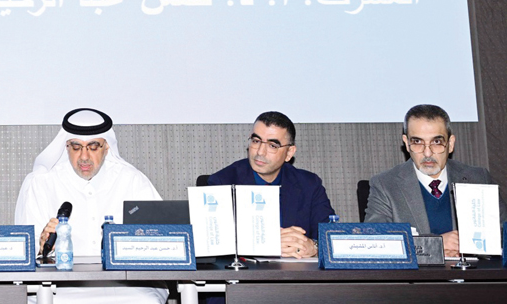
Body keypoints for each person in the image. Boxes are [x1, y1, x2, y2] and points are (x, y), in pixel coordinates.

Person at [15, 108, 167, 303]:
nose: (84, 157)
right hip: (60, 285)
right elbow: (24, 253)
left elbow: (163, 238)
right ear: (66, 147)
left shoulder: (132, 180)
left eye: (93, 147)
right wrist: (41, 247)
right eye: (76, 147)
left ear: (107, 147)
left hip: (128, 284)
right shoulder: (41, 183)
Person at [365, 104, 507, 253]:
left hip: (472, 274)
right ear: (406, 144)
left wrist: (470, 244)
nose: (427, 153)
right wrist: (435, 244)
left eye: (437, 142)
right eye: (418, 142)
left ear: (450, 144)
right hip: (419, 276)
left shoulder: (478, 178)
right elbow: (376, 241)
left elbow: (504, 233)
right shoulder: (386, 185)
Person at [208, 111, 334, 258]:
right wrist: (268, 244)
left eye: (273, 145)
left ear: (289, 153)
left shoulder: (309, 184)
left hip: (299, 275)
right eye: (256, 141)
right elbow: (213, 244)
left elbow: (332, 235)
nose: (260, 152)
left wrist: (314, 247)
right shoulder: (223, 182)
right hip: (247, 277)